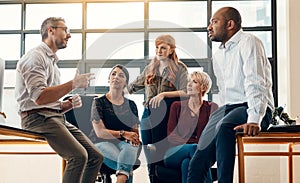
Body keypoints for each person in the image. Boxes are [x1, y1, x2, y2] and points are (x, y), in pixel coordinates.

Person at [187, 7, 275, 183]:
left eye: (214, 21)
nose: (208, 27)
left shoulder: (249, 42)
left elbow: (256, 82)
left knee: (225, 127)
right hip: (228, 107)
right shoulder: (219, 53)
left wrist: (254, 119)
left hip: (252, 107)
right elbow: (225, 93)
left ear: (230, 24)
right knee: (198, 159)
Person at [15, 17, 103, 183]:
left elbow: (49, 103)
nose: (68, 35)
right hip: (37, 118)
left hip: (53, 117)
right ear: (51, 30)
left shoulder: (52, 63)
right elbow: (40, 98)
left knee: (95, 156)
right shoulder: (35, 57)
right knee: (79, 157)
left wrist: (66, 105)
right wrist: (73, 84)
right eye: (65, 29)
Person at [128, 34, 188, 182]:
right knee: (149, 150)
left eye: (163, 48)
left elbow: (186, 92)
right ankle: (152, 179)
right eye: (157, 48)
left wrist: (164, 94)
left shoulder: (180, 68)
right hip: (148, 115)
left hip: (167, 115)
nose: (159, 51)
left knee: (161, 151)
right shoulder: (150, 68)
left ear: (171, 50)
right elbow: (131, 87)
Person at [89, 64, 141, 183]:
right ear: (109, 79)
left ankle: (121, 177)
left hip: (125, 145)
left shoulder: (131, 105)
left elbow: (134, 136)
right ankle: (125, 173)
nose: (116, 77)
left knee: (131, 147)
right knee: (127, 163)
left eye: (121, 75)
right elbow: (100, 132)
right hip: (101, 142)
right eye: (113, 74)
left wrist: (132, 137)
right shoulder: (98, 102)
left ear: (126, 83)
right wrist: (123, 134)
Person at [164, 71, 218, 183]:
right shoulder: (177, 106)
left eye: (194, 82)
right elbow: (171, 135)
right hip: (174, 152)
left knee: (187, 163)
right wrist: (192, 145)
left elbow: (213, 135)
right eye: (189, 81)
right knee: (194, 149)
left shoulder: (212, 107)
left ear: (203, 87)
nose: (189, 84)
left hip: (202, 153)